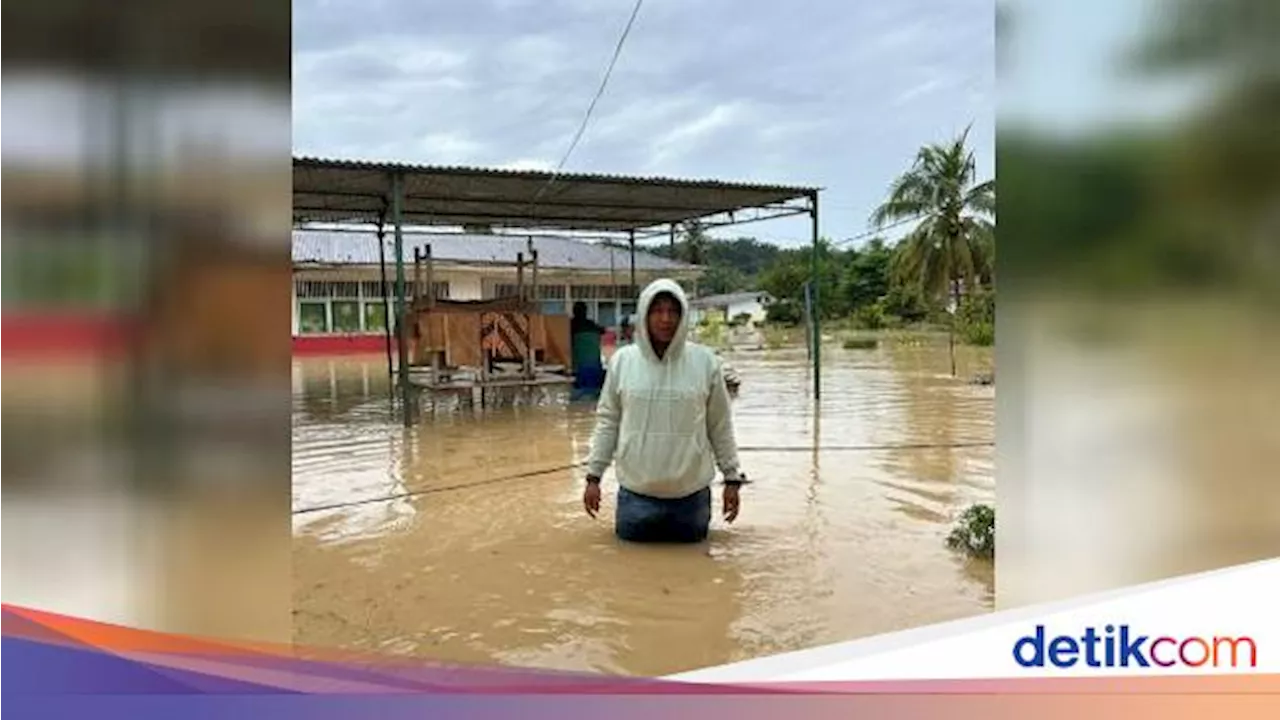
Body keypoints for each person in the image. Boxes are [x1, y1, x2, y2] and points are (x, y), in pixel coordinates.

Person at [582, 278, 746, 543]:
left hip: (691, 501)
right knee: (631, 574)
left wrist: (732, 478)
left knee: (694, 577)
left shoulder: (706, 363)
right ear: (644, 314)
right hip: (636, 498)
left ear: (683, 316)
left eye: (673, 311)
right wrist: (593, 476)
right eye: (657, 311)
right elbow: (608, 422)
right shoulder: (622, 362)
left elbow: (720, 424)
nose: (666, 319)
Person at [570, 301, 606, 395]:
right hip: (595, 366)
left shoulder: (571, 325)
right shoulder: (592, 325)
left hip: (578, 368)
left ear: (574, 311)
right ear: (586, 312)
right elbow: (602, 330)